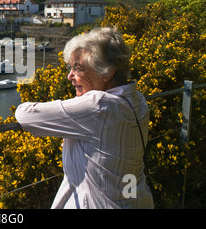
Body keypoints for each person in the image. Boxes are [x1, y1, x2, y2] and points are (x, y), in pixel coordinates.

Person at [15, 27, 154, 209]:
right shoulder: (138, 100)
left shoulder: (98, 105)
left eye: (78, 69)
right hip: (137, 199)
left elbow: (25, 115)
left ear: (107, 72)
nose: (70, 76)